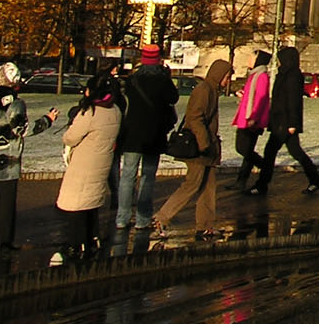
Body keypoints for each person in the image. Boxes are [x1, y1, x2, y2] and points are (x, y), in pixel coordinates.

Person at [153, 57, 232, 241]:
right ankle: (162, 217)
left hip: (208, 147)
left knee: (208, 187)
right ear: (219, 75)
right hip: (200, 147)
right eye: (227, 77)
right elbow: (195, 117)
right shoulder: (204, 91)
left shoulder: (211, 90)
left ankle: (205, 226)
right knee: (193, 184)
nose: (228, 81)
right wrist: (204, 143)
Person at [0, 62, 51, 252]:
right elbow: (22, 129)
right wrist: (47, 120)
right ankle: (4, 240)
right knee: (6, 201)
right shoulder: (15, 102)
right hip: (7, 155)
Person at [51, 73, 122, 265]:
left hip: (83, 165)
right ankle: (93, 239)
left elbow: (70, 137)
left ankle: (75, 244)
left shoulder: (89, 113)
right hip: (101, 165)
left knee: (77, 206)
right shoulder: (115, 110)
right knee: (91, 204)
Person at [113, 43, 179, 236]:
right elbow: (173, 98)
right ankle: (142, 219)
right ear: (158, 59)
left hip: (132, 133)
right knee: (147, 177)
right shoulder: (162, 80)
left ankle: (122, 217)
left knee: (127, 176)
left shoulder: (133, 80)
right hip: (154, 134)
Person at [251, 45, 319, 196]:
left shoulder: (292, 76)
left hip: (284, 122)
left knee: (271, 152)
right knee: (295, 152)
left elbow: (293, 101)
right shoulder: (285, 74)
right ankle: (315, 179)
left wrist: (293, 123)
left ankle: (262, 184)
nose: (278, 62)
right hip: (281, 120)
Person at [230, 50, 272, 190]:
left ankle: (265, 167)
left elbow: (260, 98)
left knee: (244, 149)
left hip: (251, 119)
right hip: (246, 117)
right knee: (246, 150)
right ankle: (241, 180)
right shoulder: (254, 75)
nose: (249, 60)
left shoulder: (261, 76)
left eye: (251, 57)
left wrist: (253, 117)